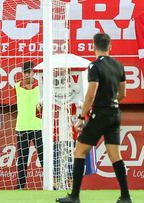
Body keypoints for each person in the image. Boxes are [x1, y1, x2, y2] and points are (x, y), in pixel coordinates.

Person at [56, 33, 131, 203]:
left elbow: (91, 94)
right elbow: (123, 94)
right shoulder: (119, 66)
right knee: (115, 155)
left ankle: (74, 197)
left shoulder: (94, 66)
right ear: (110, 47)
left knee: (79, 151)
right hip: (115, 114)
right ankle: (126, 197)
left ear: (93, 46)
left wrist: (82, 116)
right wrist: (112, 103)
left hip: (100, 114)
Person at [15, 61, 43, 189]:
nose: (27, 75)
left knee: (43, 158)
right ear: (22, 73)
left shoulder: (41, 87)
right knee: (22, 160)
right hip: (22, 128)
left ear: (33, 72)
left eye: (29, 72)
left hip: (39, 127)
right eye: (25, 72)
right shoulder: (16, 86)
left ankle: (51, 184)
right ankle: (20, 186)